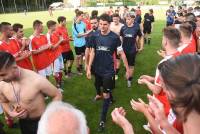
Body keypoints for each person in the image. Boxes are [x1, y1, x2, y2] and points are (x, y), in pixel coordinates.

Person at [86, 13, 130, 132]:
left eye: (105, 24)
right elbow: (93, 52)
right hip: (97, 69)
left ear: (109, 24)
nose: (102, 26)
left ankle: (102, 120)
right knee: (100, 87)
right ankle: (110, 95)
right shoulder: (95, 36)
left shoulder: (115, 38)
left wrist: (127, 69)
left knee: (105, 94)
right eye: (100, 24)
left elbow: (122, 54)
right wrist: (89, 67)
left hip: (109, 71)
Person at [0, 51, 62, 134]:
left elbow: (57, 94)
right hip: (23, 123)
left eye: (3, 75)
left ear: (14, 67)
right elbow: (3, 101)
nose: (0, 79)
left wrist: (50, 115)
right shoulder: (2, 84)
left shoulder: (36, 80)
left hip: (42, 122)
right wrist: (11, 112)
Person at [137, 27, 183, 133]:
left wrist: (145, 81)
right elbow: (167, 80)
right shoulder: (181, 57)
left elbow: (157, 90)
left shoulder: (164, 64)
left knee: (159, 129)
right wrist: (152, 78)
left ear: (166, 41)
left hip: (163, 105)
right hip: (175, 105)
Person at [120, 13, 144, 88]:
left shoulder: (136, 28)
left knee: (131, 65)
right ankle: (127, 73)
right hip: (124, 50)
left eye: (129, 19)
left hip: (132, 50)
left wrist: (141, 46)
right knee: (125, 64)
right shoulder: (123, 28)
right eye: (126, 19)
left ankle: (129, 80)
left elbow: (141, 37)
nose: (127, 21)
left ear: (133, 20)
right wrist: (119, 47)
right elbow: (121, 37)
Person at [46, 20, 64, 90]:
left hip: (59, 54)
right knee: (56, 72)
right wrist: (60, 41)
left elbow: (59, 40)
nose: (56, 27)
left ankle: (60, 82)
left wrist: (61, 40)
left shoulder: (55, 33)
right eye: (54, 26)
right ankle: (58, 86)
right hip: (54, 56)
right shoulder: (48, 36)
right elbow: (52, 48)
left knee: (60, 70)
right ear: (50, 27)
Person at [72, 11, 91, 75]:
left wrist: (90, 32)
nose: (83, 17)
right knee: (78, 56)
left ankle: (81, 66)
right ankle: (77, 68)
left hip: (84, 43)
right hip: (77, 44)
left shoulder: (83, 23)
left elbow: (85, 31)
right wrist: (86, 33)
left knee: (83, 55)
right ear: (77, 16)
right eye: (82, 16)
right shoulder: (74, 25)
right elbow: (78, 35)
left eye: (83, 16)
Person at [110, 13, 124, 80]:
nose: (115, 20)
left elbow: (122, 37)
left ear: (119, 18)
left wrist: (120, 46)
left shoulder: (122, 26)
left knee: (118, 59)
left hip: (118, 45)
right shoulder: (110, 24)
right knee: (111, 58)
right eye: (114, 19)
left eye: (116, 19)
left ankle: (116, 73)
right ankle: (111, 70)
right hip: (110, 45)